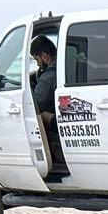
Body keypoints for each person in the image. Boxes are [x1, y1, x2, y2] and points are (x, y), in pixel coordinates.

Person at [29, 35, 67, 176]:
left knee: (38, 114)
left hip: (59, 122)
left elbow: (34, 104)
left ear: (44, 57)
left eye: (36, 59)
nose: (38, 65)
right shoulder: (64, 66)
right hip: (65, 115)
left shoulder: (48, 77)